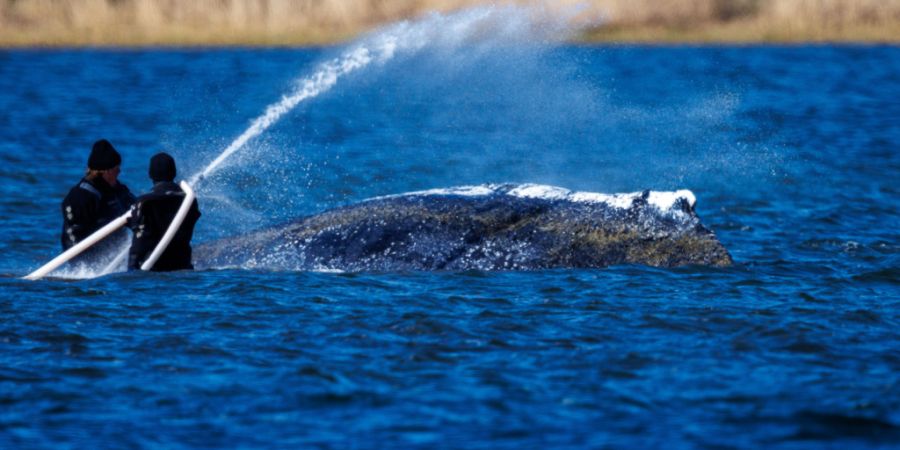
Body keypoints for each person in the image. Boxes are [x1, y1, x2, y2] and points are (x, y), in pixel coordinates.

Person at [61, 139, 136, 257]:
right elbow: (72, 238)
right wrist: (84, 265)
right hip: (89, 259)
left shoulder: (119, 191)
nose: (120, 171)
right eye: (117, 168)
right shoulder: (80, 197)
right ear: (107, 171)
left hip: (116, 253)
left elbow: (135, 210)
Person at [128, 152, 201, 271]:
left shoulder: (145, 201)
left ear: (150, 175)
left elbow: (139, 243)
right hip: (182, 265)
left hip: (151, 268)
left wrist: (131, 270)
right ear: (174, 173)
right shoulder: (189, 200)